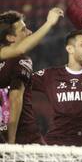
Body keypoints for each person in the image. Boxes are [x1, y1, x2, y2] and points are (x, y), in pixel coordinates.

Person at [0, 9, 63, 144]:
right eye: (23, 29)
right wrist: (49, 23)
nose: (29, 32)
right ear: (10, 38)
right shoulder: (20, 60)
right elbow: (15, 99)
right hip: (24, 137)